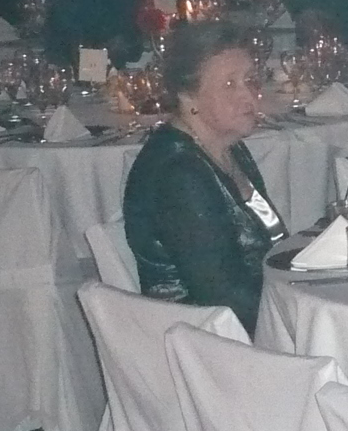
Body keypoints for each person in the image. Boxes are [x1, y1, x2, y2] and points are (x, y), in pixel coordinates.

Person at [123, 21, 288, 334]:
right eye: (229, 84)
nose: (249, 95)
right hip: (205, 341)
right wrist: (298, 319)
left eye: (250, 80)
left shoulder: (230, 148)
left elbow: (274, 245)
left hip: (254, 317)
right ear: (189, 97)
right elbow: (222, 296)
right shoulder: (179, 175)